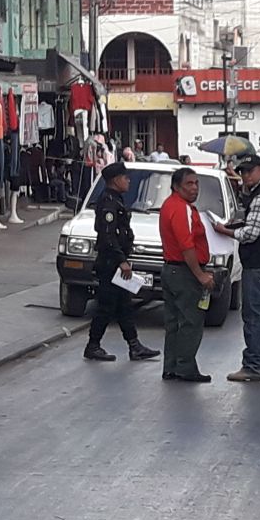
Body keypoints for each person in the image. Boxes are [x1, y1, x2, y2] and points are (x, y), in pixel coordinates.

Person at [214, 155, 260, 382]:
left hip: (258, 265)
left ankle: (253, 365)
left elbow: (251, 234)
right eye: (242, 172)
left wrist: (226, 231)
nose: (245, 176)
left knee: (254, 316)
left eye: (249, 171)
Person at [84, 162, 161, 362]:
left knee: (124, 305)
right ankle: (93, 346)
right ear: (115, 180)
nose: (128, 181)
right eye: (125, 178)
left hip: (117, 262)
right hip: (110, 263)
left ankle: (134, 346)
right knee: (107, 306)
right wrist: (121, 261)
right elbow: (108, 236)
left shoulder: (116, 200)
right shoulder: (108, 202)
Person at [158, 167, 214, 383]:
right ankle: (185, 367)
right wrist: (200, 275)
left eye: (196, 183)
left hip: (171, 269)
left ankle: (171, 366)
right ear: (176, 187)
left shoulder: (169, 206)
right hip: (184, 272)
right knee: (191, 321)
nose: (194, 188)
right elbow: (186, 246)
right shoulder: (182, 209)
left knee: (173, 322)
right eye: (189, 184)